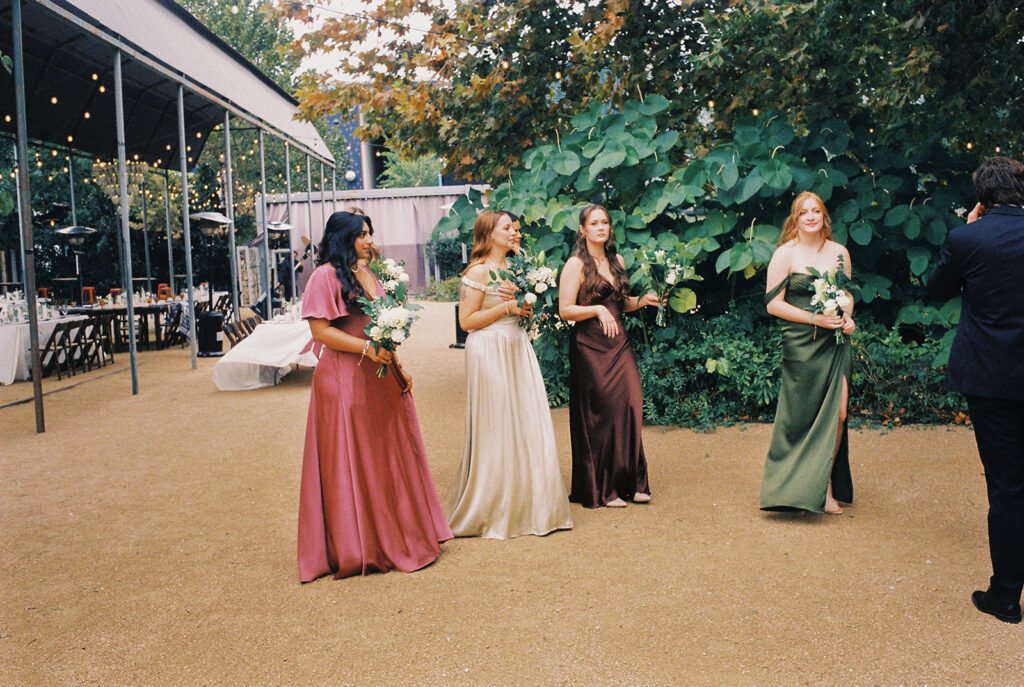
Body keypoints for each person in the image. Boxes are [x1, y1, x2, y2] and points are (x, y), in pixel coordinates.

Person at [297, 211, 452, 581]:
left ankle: (397, 532)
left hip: (378, 375)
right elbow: (320, 331)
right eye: (361, 234)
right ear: (342, 237)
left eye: (370, 233)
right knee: (355, 457)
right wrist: (365, 350)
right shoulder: (324, 276)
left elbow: (384, 328)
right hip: (344, 380)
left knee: (386, 455)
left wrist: (398, 367)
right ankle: (361, 544)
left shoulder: (367, 273)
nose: (369, 240)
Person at [927, 156, 1024, 624]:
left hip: (990, 378)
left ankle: (1006, 597)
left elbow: (936, 290)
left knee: (1007, 487)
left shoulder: (968, 237)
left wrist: (968, 228)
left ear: (982, 198)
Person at [446, 210, 573, 539]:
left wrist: (528, 307)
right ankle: (494, 507)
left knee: (528, 419)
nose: (516, 233)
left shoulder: (520, 268)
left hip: (516, 346)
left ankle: (530, 504)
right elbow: (466, 322)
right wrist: (506, 308)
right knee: (498, 422)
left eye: (517, 228)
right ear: (489, 234)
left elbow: (524, 313)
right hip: (489, 350)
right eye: (508, 228)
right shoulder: (478, 270)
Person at [558, 204, 659, 508]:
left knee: (629, 403)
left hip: (619, 344)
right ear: (583, 230)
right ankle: (604, 488)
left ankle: (634, 482)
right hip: (589, 346)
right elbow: (565, 311)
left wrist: (642, 301)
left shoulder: (617, 260)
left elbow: (619, 304)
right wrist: (596, 309)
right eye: (594, 223)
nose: (601, 227)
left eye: (605, 222)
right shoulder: (575, 265)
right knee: (601, 412)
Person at [760, 191, 855, 514]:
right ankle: (788, 484)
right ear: (795, 219)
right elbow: (773, 304)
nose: (811, 216)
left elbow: (845, 295)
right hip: (801, 342)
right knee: (800, 417)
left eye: (816, 211)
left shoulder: (839, 252)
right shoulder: (784, 255)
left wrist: (847, 317)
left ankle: (824, 486)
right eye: (804, 212)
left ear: (824, 216)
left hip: (835, 345)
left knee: (839, 414)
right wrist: (815, 318)